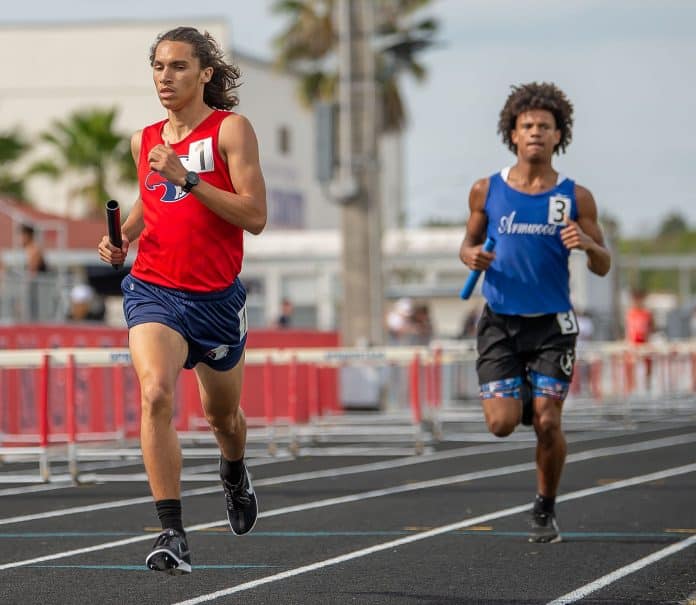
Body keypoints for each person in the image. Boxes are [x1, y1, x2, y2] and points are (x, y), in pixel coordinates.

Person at [97, 26, 267, 575]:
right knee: (155, 395)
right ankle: (172, 530)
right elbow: (152, 205)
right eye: (158, 67)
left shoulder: (231, 131)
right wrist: (121, 235)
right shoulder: (143, 139)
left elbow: (255, 217)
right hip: (154, 290)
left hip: (216, 299)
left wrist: (189, 179)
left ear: (205, 74)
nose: (165, 78)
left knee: (224, 419)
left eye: (178, 67)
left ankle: (234, 470)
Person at [459, 82, 611, 544]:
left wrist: (586, 245)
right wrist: (470, 257)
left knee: (548, 421)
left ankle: (544, 508)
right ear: (513, 133)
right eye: (527, 126)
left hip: (552, 323)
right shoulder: (487, 190)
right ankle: (523, 395)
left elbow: (603, 265)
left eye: (545, 126)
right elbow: (467, 245)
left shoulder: (575, 197)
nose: (536, 133)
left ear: (558, 134)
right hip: (501, 320)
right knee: (502, 424)